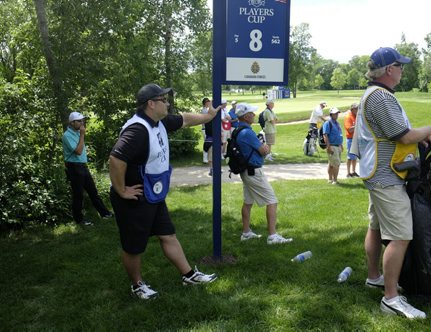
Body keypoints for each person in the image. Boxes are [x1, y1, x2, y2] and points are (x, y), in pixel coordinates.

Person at [352, 47, 431, 319]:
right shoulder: (380, 97)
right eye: (400, 66)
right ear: (389, 69)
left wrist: (420, 137)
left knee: (376, 228)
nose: (403, 69)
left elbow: (398, 134)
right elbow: (403, 136)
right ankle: (391, 297)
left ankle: (374, 276)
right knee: (401, 236)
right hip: (387, 176)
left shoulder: (375, 94)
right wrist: (430, 130)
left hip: (378, 174)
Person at [109, 83, 219, 300]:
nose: (168, 103)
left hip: (153, 193)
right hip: (136, 195)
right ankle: (137, 285)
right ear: (151, 104)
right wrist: (121, 190)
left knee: (167, 234)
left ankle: (188, 275)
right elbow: (115, 159)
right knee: (133, 246)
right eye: (163, 100)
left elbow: (185, 119)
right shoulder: (137, 130)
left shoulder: (159, 121)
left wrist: (208, 116)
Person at [235, 103, 293, 245]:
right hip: (254, 172)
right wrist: (265, 147)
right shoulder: (247, 132)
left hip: (246, 171)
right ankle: (272, 236)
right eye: (251, 113)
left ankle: (246, 233)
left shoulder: (238, 130)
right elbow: (264, 150)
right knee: (272, 201)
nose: (254, 115)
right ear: (246, 116)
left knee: (248, 202)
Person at [62, 111, 113, 226]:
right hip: (74, 167)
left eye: (82, 120)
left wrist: (81, 134)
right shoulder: (67, 135)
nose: (82, 123)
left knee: (93, 191)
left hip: (82, 166)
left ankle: (105, 213)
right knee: (78, 195)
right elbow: (79, 151)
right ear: (72, 122)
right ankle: (79, 219)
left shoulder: (77, 133)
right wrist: (82, 135)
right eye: (79, 121)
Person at [322, 107, 343, 185]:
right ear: (331, 114)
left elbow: (339, 135)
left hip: (338, 146)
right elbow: (325, 135)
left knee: (331, 164)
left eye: (337, 113)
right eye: (335, 113)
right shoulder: (328, 123)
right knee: (336, 164)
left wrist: (341, 145)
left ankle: (330, 179)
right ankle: (335, 180)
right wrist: (328, 147)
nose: (336, 115)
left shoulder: (337, 123)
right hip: (332, 146)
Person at [344, 103, 359, 177]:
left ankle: (353, 171)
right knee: (350, 157)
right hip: (350, 139)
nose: (358, 110)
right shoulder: (348, 117)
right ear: (352, 109)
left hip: (356, 139)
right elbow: (349, 130)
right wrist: (358, 124)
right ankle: (348, 172)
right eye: (356, 109)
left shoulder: (356, 116)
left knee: (354, 157)